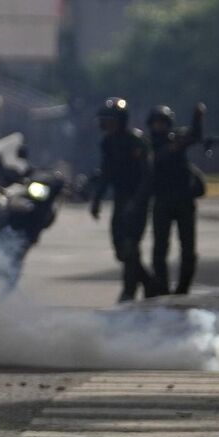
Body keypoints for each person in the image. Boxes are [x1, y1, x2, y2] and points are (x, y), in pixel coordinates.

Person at [90, 97, 161, 302]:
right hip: (120, 199)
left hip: (137, 199)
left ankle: (129, 291)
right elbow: (106, 173)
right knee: (120, 249)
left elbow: (147, 175)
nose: (105, 124)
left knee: (131, 245)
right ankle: (148, 282)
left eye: (109, 119)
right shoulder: (108, 143)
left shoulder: (136, 142)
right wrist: (97, 200)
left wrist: (137, 202)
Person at [147, 103, 206, 294]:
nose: (159, 127)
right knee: (160, 249)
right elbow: (157, 159)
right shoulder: (149, 146)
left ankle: (183, 287)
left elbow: (195, 135)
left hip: (183, 201)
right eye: (156, 124)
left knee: (188, 248)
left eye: (162, 123)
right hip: (162, 201)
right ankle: (162, 286)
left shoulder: (178, 139)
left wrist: (197, 117)